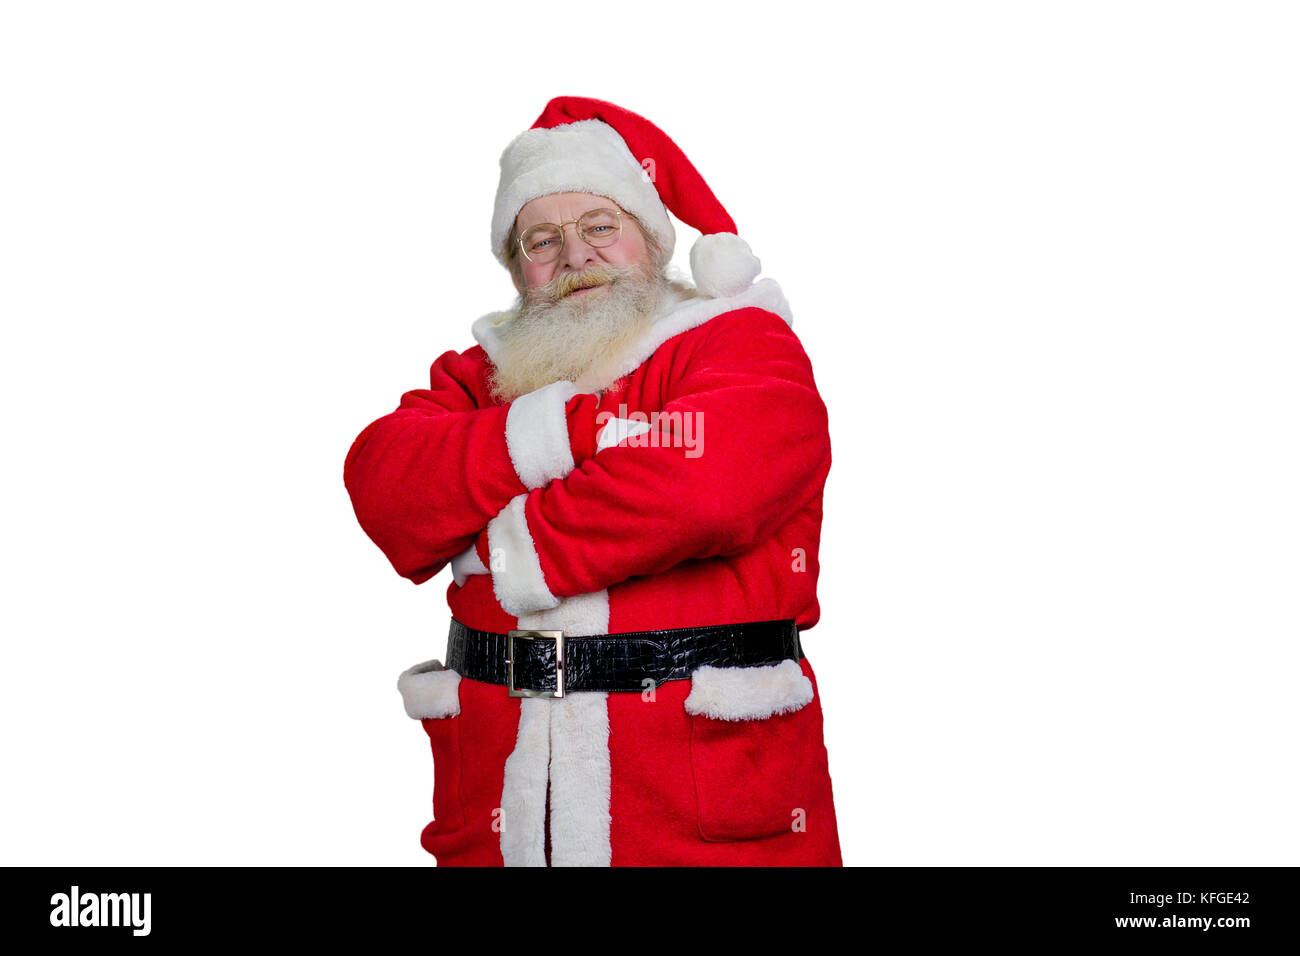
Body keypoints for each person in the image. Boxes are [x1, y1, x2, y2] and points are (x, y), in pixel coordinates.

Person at [343, 96, 842, 866]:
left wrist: (496, 545)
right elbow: (385, 485)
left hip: (702, 813)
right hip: (499, 814)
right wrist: (577, 432)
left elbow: (708, 487)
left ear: (651, 238)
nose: (575, 256)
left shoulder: (740, 341)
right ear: (518, 270)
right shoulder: (483, 372)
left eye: (600, 227)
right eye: (542, 240)